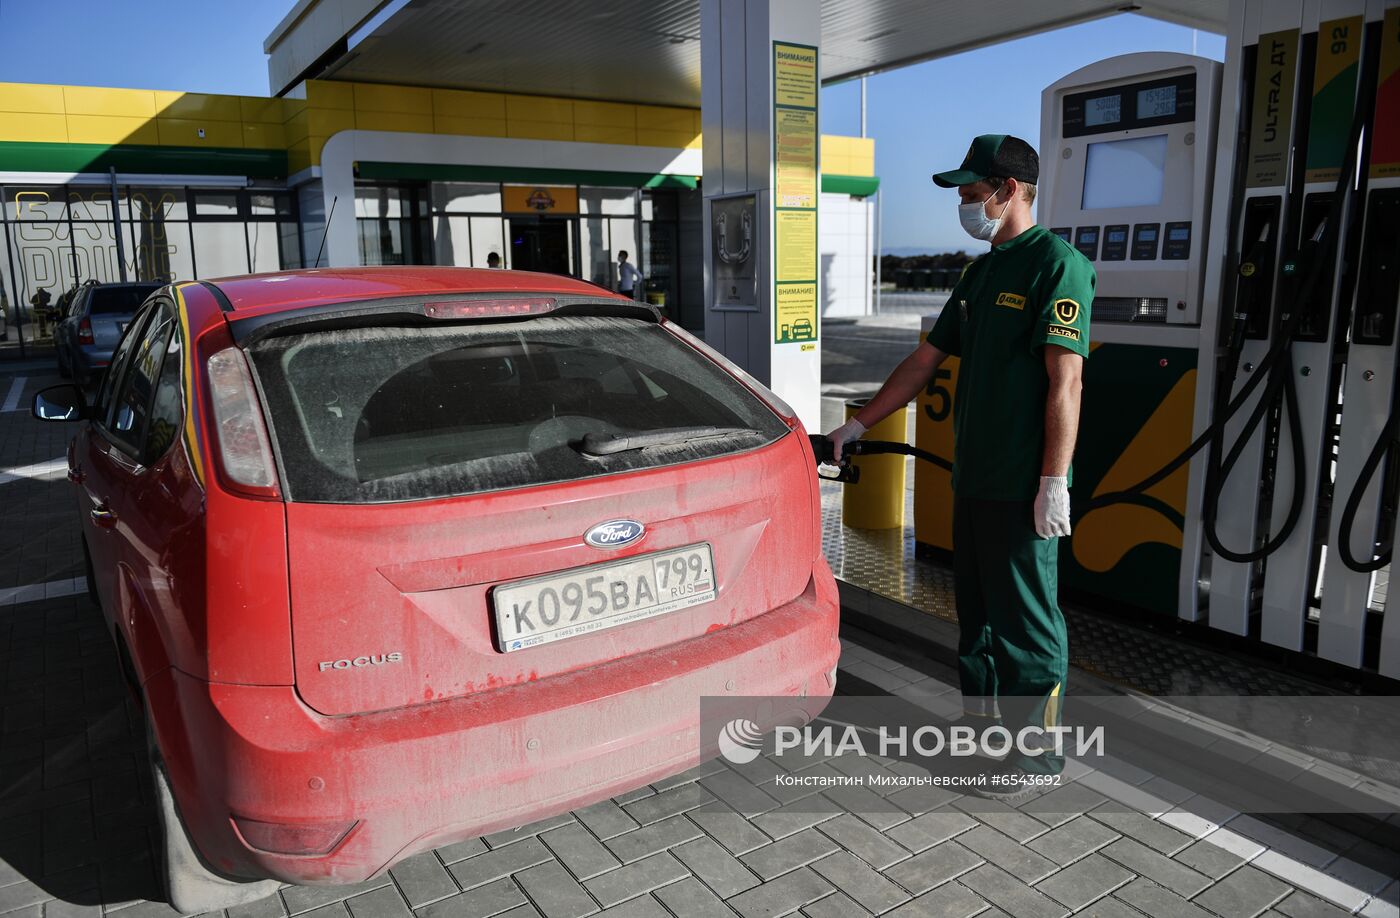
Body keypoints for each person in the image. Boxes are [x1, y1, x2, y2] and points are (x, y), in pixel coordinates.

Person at [825, 134, 1094, 799]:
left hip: (1023, 487)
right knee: (976, 616)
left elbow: (1067, 385)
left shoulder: (1056, 267)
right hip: (971, 480)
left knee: (1027, 624)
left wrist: (1053, 483)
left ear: (1008, 190)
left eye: (972, 193)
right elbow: (925, 360)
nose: (965, 205)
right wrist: (859, 423)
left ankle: (1035, 760)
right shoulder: (980, 272)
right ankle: (981, 727)